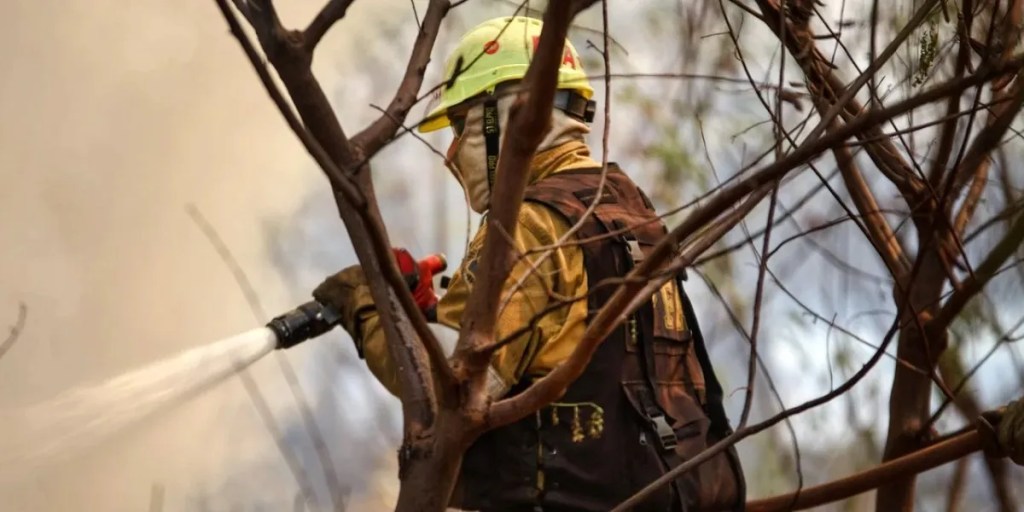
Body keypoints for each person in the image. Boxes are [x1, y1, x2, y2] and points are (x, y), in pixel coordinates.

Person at [309, 15, 1024, 512]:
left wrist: (365, 299)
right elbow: (550, 349)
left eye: (462, 126)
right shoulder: (619, 204)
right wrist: (427, 307)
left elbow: (451, 391)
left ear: (514, 114)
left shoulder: (527, 223)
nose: (447, 153)